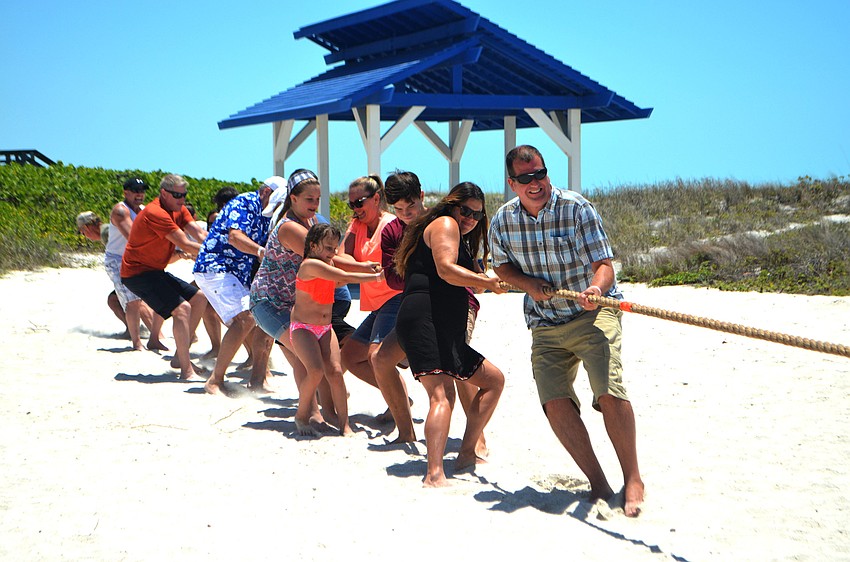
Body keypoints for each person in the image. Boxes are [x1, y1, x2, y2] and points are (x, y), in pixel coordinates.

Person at [489, 144, 645, 517]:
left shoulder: (576, 207)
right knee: (554, 401)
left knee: (609, 391)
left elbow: (603, 264)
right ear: (512, 183)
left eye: (540, 173)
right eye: (525, 178)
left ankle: (633, 478)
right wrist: (527, 284)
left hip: (592, 315)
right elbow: (501, 267)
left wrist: (595, 289)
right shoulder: (502, 220)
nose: (536, 183)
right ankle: (599, 483)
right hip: (545, 322)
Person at [393, 182, 506, 488]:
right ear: (451, 205)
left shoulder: (459, 237)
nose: (469, 218)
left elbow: (465, 280)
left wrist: (487, 281)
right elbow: (444, 269)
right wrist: (485, 280)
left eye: (476, 215)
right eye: (465, 210)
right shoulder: (445, 224)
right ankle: (434, 474)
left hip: (441, 323)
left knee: (493, 381)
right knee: (442, 396)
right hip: (426, 319)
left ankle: (466, 454)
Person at [250, 170, 377, 422]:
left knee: (314, 362)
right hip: (269, 302)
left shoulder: (313, 222)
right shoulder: (290, 228)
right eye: (309, 199)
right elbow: (328, 259)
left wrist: (362, 266)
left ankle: (325, 411)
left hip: (297, 303)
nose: (314, 205)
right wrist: (364, 268)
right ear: (293, 198)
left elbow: (332, 254)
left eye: (317, 199)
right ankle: (313, 413)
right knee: (306, 360)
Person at [290, 223, 385, 437]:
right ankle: (301, 415)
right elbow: (345, 276)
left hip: (325, 327)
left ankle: (344, 425)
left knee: (336, 371)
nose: (332, 253)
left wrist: (367, 267)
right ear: (313, 246)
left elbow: (340, 278)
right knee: (315, 371)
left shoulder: (327, 263)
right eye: (328, 248)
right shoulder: (309, 265)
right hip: (303, 328)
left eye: (335, 248)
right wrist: (377, 277)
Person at [193, 176, 279, 395]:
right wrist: (261, 252)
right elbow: (235, 237)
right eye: (278, 200)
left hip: (234, 273)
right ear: (266, 192)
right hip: (216, 267)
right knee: (246, 316)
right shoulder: (244, 202)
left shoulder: (266, 212)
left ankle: (259, 376)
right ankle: (215, 380)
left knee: (253, 318)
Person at [120, 174, 209, 381]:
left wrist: (220, 247)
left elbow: (199, 234)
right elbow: (186, 244)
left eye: (184, 195)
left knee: (199, 298)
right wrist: (219, 253)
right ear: (163, 193)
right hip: (137, 273)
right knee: (182, 309)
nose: (181, 199)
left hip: (155, 270)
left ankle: (180, 356)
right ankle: (186, 371)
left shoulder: (179, 209)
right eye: (177, 195)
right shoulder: (156, 212)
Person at [338, 175, 402, 410]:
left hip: (396, 299)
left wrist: (355, 265)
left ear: (376, 199)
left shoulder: (392, 224)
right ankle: (401, 399)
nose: (355, 209)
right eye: (351, 204)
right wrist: (363, 267)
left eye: (359, 202)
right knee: (350, 357)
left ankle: (399, 411)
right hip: (377, 304)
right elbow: (340, 256)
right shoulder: (356, 225)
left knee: (377, 357)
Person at [106, 178, 165, 351]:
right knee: (133, 301)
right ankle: (137, 343)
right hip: (118, 259)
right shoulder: (120, 211)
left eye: (142, 190)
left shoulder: (144, 210)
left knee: (149, 297)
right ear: (126, 192)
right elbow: (133, 237)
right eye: (135, 189)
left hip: (140, 257)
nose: (140, 193)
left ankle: (156, 337)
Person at [77, 211, 127, 331]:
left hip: (135, 272)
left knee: (115, 300)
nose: (85, 236)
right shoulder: (107, 231)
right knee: (115, 300)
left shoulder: (107, 233)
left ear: (86, 227)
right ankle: (134, 330)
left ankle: (137, 332)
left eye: (82, 232)